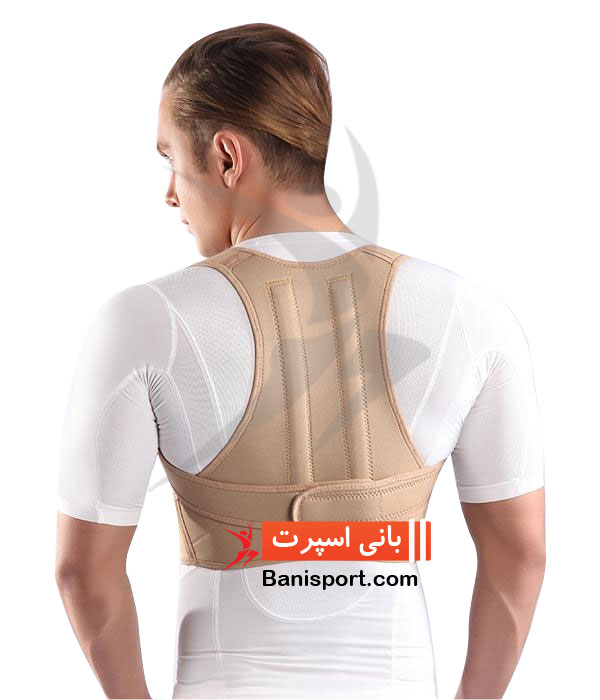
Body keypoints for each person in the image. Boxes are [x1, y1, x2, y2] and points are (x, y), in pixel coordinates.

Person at [55, 22, 546, 700]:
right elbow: (520, 553)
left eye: (171, 158)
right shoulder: (470, 313)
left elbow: (83, 572)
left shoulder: (144, 321)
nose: (170, 193)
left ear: (227, 156)